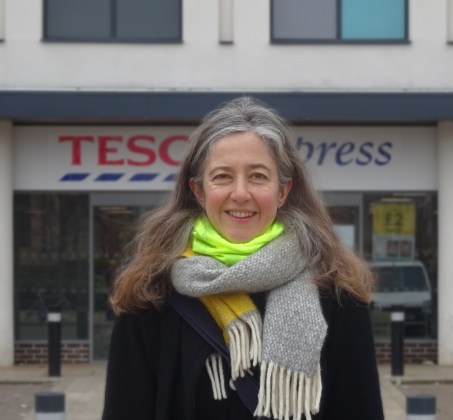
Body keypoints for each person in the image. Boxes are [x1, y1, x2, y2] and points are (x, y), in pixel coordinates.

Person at [102, 97, 385, 420]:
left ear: (282, 191)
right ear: (198, 191)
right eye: (222, 176)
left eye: (258, 176)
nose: (240, 193)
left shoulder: (337, 294)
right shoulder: (150, 295)